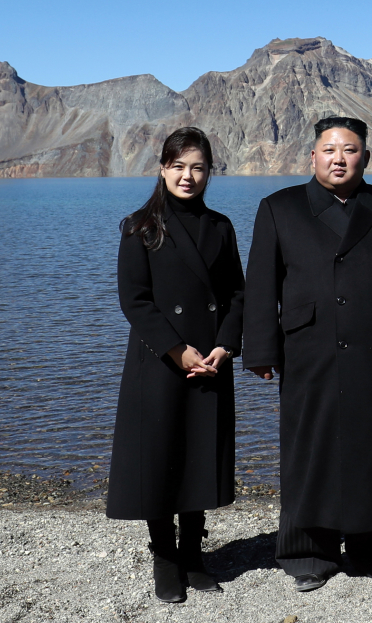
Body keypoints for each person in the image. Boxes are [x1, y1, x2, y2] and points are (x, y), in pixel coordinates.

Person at [242, 116, 372, 592]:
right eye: (329, 150)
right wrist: (259, 348)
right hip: (309, 348)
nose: (339, 158)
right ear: (312, 156)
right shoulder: (280, 207)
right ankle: (307, 551)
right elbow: (261, 285)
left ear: (366, 156)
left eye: (350, 150)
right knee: (309, 446)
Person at [106, 126, 245, 603]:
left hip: (209, 359)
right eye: (179, 166)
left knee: (198, 456)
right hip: (160, 362)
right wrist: (176, 350)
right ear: (162, 168)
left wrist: (225, 346)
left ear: (209, 172)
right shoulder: (140, 226)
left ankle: (194, 554)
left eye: (198, 167)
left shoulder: (221, 227)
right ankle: (164, 557)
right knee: (159, 457)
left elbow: (235, 294)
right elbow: (135, 301)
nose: (188, 176)